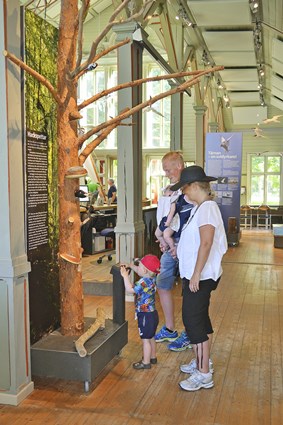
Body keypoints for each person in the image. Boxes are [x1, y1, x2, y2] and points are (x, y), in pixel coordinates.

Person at [169, 165, 227, 391]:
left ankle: (204, 374)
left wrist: (195, 273)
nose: (183, 193)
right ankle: (203, 362)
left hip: (200, 277)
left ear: (194, 186)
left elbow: (206, 242)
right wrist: (179, 250)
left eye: (184, 188)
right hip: (196, 275)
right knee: (200, 320)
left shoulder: (208, 208)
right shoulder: (200, 207)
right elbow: (195, 241)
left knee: (193, 323)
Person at [154, 152, 194, 352]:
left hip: (185, 245)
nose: (166, 173)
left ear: (179, 165)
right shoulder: (168, 190)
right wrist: (162, 239)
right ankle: (170, 328)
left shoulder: (190, 188)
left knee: (189, 288)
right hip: (168, 244)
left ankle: (190, 332)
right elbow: (164, 215)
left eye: (168, 169)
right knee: (163, 283)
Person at [120, 255, 160, 370]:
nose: (138, 268)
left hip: (144, 315)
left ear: (145, 270)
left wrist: (125, 276)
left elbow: (130, 290)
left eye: (140, 266)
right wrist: (130, 266)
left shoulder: (143, 282)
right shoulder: (152, 278)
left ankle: (146, 362)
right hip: (153, 314)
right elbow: (140, 270)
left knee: (145, 340)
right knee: (151, 336)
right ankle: (153, 357)